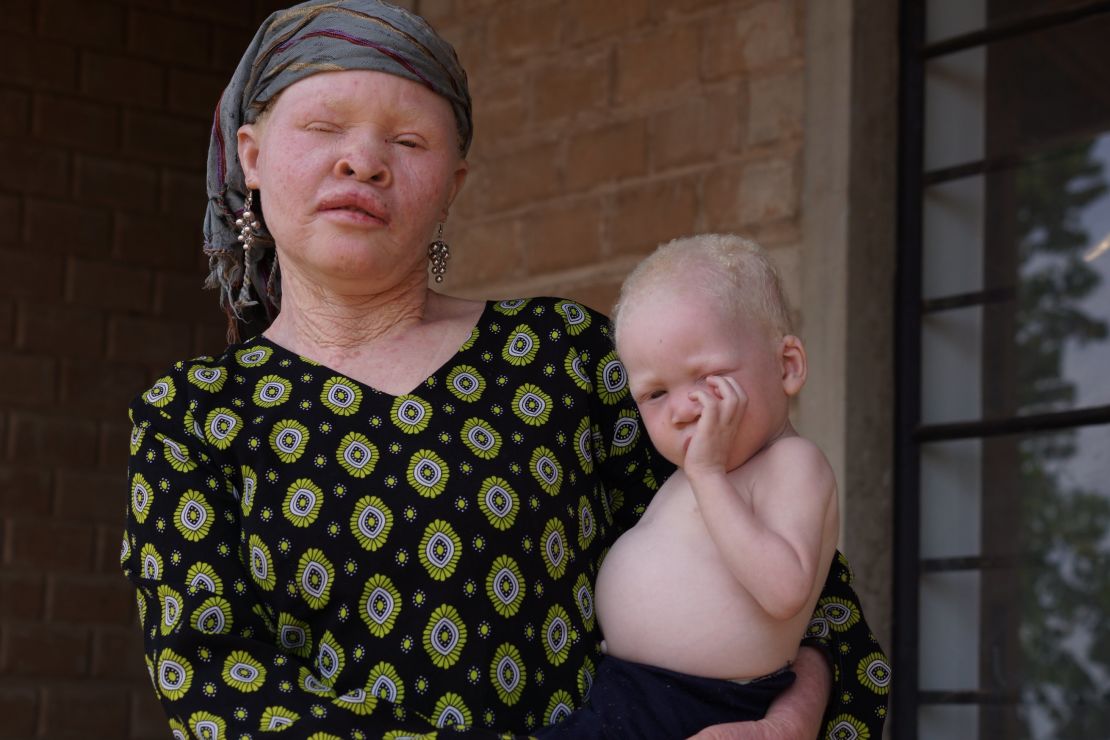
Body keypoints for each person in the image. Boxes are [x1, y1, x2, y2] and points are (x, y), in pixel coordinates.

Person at [119, 1, 889, 738]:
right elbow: (215, 684)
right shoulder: (191, 418)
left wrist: (792, 716)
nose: (363, 161)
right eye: (323, 127)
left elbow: (805, 592)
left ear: (453, 183)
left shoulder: (566, 355)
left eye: (410, 143)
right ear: (251, 156)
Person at [538, 235, 853, 739]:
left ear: (787, 366)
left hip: (704, 708)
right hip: (626, 695)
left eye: (707, 376)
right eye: (655, 393)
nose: (683, 410)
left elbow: (784, 590)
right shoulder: (691, 474)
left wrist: (706, 477)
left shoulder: (792, 464)